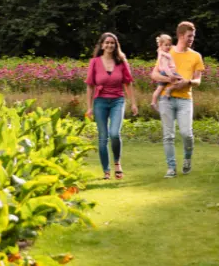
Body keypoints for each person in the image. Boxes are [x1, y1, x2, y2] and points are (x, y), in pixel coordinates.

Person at [150, 21, 205, 178]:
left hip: (185, 99)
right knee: (168, 136)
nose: (192, 39)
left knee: (187, 133)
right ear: (180, 35)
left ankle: (187, 158)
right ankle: (171, 168)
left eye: (193, 36)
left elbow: (198, 81)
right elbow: (154, 75)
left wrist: (187, 82)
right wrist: (170, 80)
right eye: (189, 36)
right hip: (166, 99)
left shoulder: (196, 56)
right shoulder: (168, 51)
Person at [85, 32, 139, 180]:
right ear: (102, 45)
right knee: (103, 137)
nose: (109, 45)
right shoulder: (94, 62)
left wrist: (133, 103)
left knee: (114, 133)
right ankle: (106, 170)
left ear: (116, 45)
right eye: (107, 42)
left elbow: (128, 83)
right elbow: (90, 85)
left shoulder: (121, 62)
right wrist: (89, 107)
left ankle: (117, 163)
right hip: (100, 102)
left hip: (117, 101)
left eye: (112, 43)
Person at [150, 34, 182, 110]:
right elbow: (165, 67)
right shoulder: (165, 55)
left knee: (159, 89)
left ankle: (153, 102)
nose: (168, 47)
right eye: (166, 45)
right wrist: (171, 75)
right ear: (161, 45)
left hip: (163, 73)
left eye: (169, 45)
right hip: (167, 72)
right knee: (181, 80)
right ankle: (169, 89)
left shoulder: (161, 52)